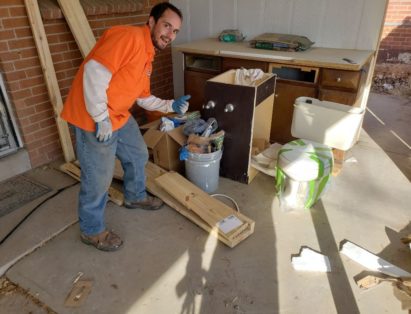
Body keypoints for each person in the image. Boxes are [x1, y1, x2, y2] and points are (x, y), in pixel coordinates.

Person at [61, 2, 189, 252]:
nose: (170, 35)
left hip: (118, 115)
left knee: (138, 153)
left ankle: (134, 196)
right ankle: (91, 230)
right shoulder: (128, 37)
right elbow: (94, 72)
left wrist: (170, 104)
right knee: (98, 178)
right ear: (151, 21)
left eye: (175, 31)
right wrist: (100, 118)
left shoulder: (148, 54)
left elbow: (142, 96)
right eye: (166, 25)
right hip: (93, 118)